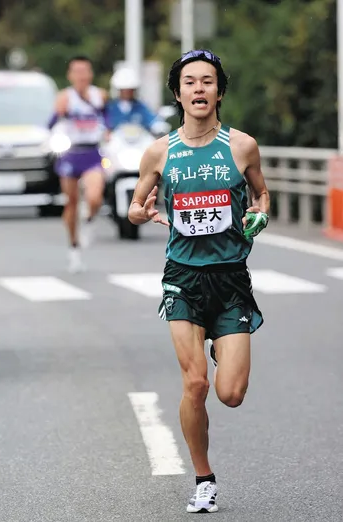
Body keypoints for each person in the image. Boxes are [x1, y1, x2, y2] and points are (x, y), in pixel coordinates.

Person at [128, 49, 270, 513]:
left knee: (230, 393)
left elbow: (262, 193)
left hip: (230, 279)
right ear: (177, 93)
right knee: (196, 386)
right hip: (183, 279)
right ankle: (204, 478)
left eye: (207, 81)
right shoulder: (159, 151)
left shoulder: (241, 146)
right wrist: (143, 212)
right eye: (189, 82)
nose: (199, 89)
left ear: (220, 91)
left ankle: (221, 340)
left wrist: (259, 215)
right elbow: (134, 205)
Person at [48, 55, 109, 273]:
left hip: (92, 152)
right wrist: (60, 113)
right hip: (70, 153)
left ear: (90, 74)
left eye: (85, 71)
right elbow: (51, 124)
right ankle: (74, 247)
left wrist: (109, 132)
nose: (81, 76)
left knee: (94, 196)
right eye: (77, 72)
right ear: (70, 75)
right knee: (71, 203)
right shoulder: (64, 97)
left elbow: (107, 119)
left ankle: (90, 218)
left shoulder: (99, 95)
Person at [106, 66, 170, 135]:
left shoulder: (141, 107)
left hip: (139, 144)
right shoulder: (110, 108)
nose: (127, 91)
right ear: (119, 89)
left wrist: (159, 126)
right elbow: (104, 125)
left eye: (130, 89)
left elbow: (152, 120)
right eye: (124, 89)